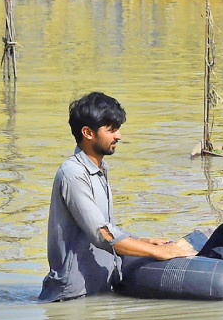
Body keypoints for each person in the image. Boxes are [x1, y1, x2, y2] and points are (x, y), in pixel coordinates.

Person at [40, 92, 194, 302]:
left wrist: (141, 241)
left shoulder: (99, 169)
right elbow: (102, 234)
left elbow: (104, 228)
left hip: (97, 293)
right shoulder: (73, 174)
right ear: (88, 132)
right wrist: (160, 252)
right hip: (72, 299)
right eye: (111, 129)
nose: (119, 136)